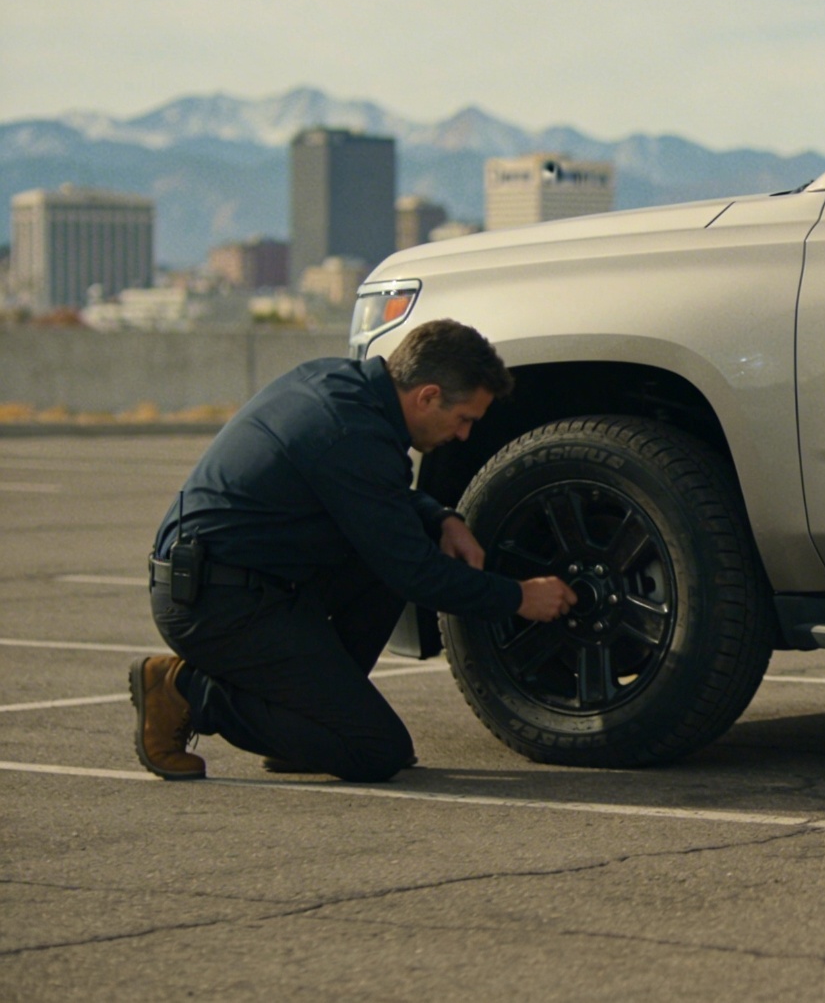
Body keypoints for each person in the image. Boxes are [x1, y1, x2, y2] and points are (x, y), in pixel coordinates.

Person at [130, 319, 577, 782]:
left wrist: (441, 517)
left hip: (252, 585)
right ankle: (186, 690)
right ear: (426, 396)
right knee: (375, 751)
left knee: (400, 547)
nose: (464, 435)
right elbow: (415, 574)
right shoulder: (350, 433)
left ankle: (310, 728)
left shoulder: (339, 387)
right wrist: (519, 597)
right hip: (215, 605)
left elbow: (374, 496)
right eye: (464, 419)